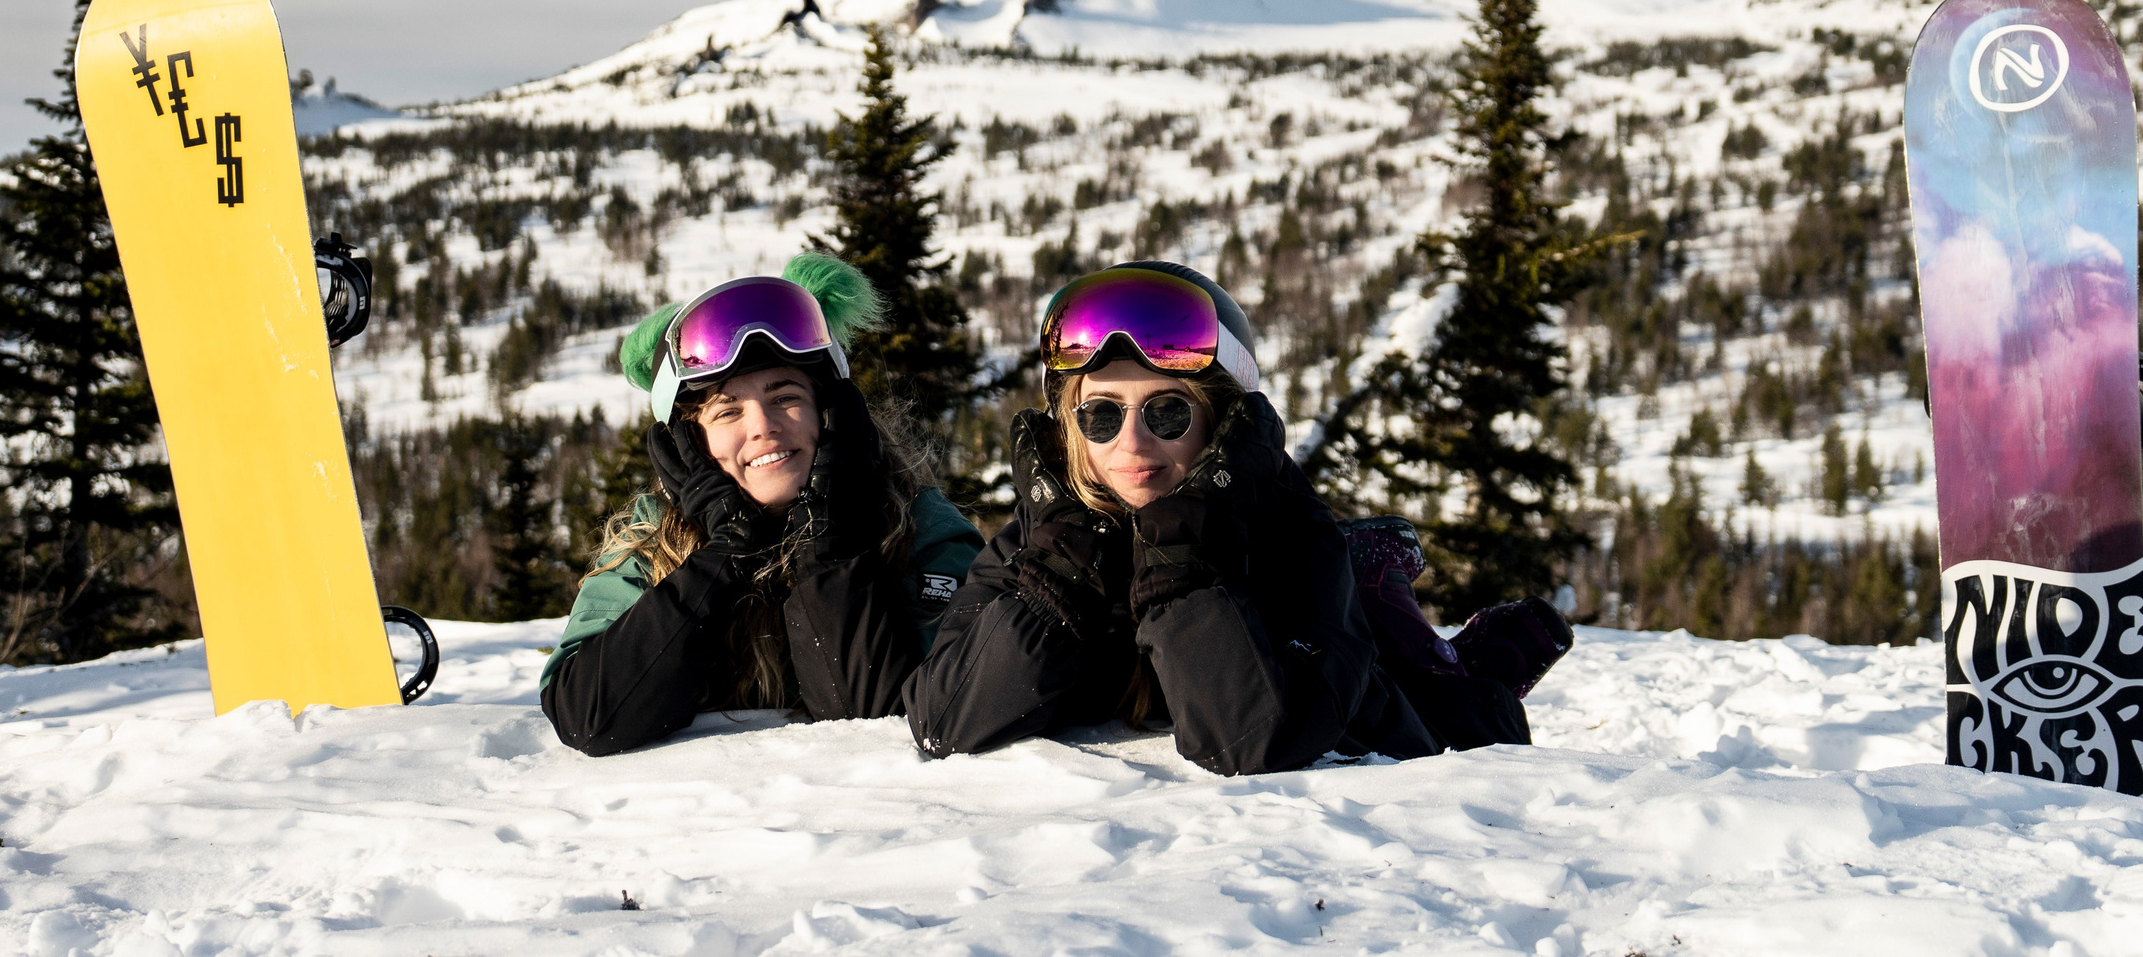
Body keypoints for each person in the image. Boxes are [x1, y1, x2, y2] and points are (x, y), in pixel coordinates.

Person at [906, 262, 1570, 775]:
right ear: (1071, 428)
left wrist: (1182, 560)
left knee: (1449, 695)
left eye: (1167, 413)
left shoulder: (1289, 535)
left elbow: (1247, 739)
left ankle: (1433, 633)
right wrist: (1056, 576)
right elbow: (944, 718)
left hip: (1395, 711)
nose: (1131, 445)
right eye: (1102, 415)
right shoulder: (1046, 534)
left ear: (1220, 423)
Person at [542, 253, 983, 755]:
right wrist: (724, 553)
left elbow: (877, 729)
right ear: (690, 446)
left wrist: (826, 535)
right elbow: (588, 717)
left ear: (832, 413)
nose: (763, 427)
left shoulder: (920, 527)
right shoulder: (650, 544)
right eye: (728, 410)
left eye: (786, 397)